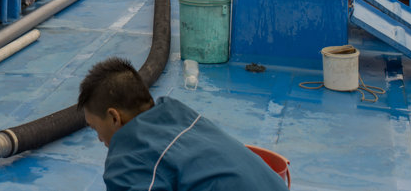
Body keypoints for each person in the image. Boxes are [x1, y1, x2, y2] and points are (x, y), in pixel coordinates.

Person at [79, 57, 287, 191]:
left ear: (114, 117)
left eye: (95, 127)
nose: (99, 138)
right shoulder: (179, 114)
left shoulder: (129, 157)